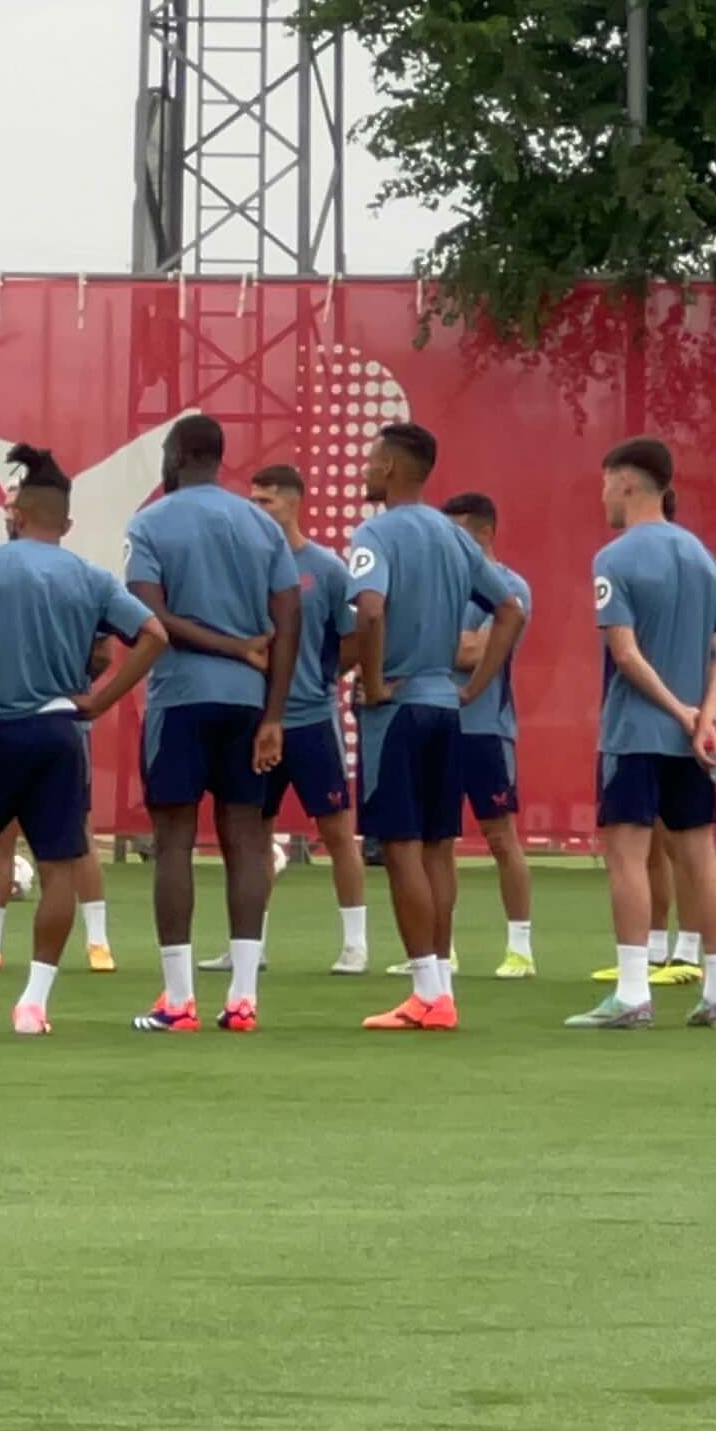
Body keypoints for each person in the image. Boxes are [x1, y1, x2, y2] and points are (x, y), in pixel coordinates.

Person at [0, 443, 165, 1033]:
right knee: (58, 869)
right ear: (66, 522)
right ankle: (33, 1004)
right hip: (60, 733)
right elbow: (153, 634)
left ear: (15, 515)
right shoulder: (90, 575)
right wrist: (99, 700)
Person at [119, 415, 301, 1034]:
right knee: (245, 838)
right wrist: (275, 710)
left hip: (181, 696)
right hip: (250, 703)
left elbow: (151, 614)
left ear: (177, 455)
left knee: (173, 840)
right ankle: (243, 999)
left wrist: (225, 648)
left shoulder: (150, 522)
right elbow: (289, 616)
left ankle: (177, 1001)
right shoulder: (261, 524)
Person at [346, 423, 525, 1032]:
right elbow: (510, 608)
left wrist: (371, 683)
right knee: (439, 847)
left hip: (397, 711)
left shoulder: (375, 532)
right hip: (447, 709)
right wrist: (474, 687)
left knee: (399, 848)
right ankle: (440, 986)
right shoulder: (456, 539)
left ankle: (426, 989)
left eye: (374, 459)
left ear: (392, 467)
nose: (367, 468)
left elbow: (369, 609)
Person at [568, 439, 716, 1028]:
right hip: (693, 739)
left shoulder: (613, 559)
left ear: (626, 484)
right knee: (700, 857)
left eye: (605, 484)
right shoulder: (703, 558)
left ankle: (634, 991)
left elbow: (626, 653)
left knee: (628, 858)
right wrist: (705, 717)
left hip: (637, 734)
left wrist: (679, 711)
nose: (602, 497)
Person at [245, 464, 370, 976]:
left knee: (337, 831)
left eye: (265, 502)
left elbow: (354, 637)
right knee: (253, 834)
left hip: (313, 722)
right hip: (257, 724)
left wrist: (322, 679)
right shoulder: (247, 567)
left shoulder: (327, 568)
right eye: (252, 502)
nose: (257, 511)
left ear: (293, 503)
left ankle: (355, 945)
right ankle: (249, 945)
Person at [443, 492, 540, 979]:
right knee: (436, 842)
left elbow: (474, 654)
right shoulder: (440, 585)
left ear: (484, 533)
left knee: (502, 838)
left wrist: (429, 642)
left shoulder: (509, 587)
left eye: (458, 532)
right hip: (437, 724)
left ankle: (519, 949)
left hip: (485, 729)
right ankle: (443, 951)